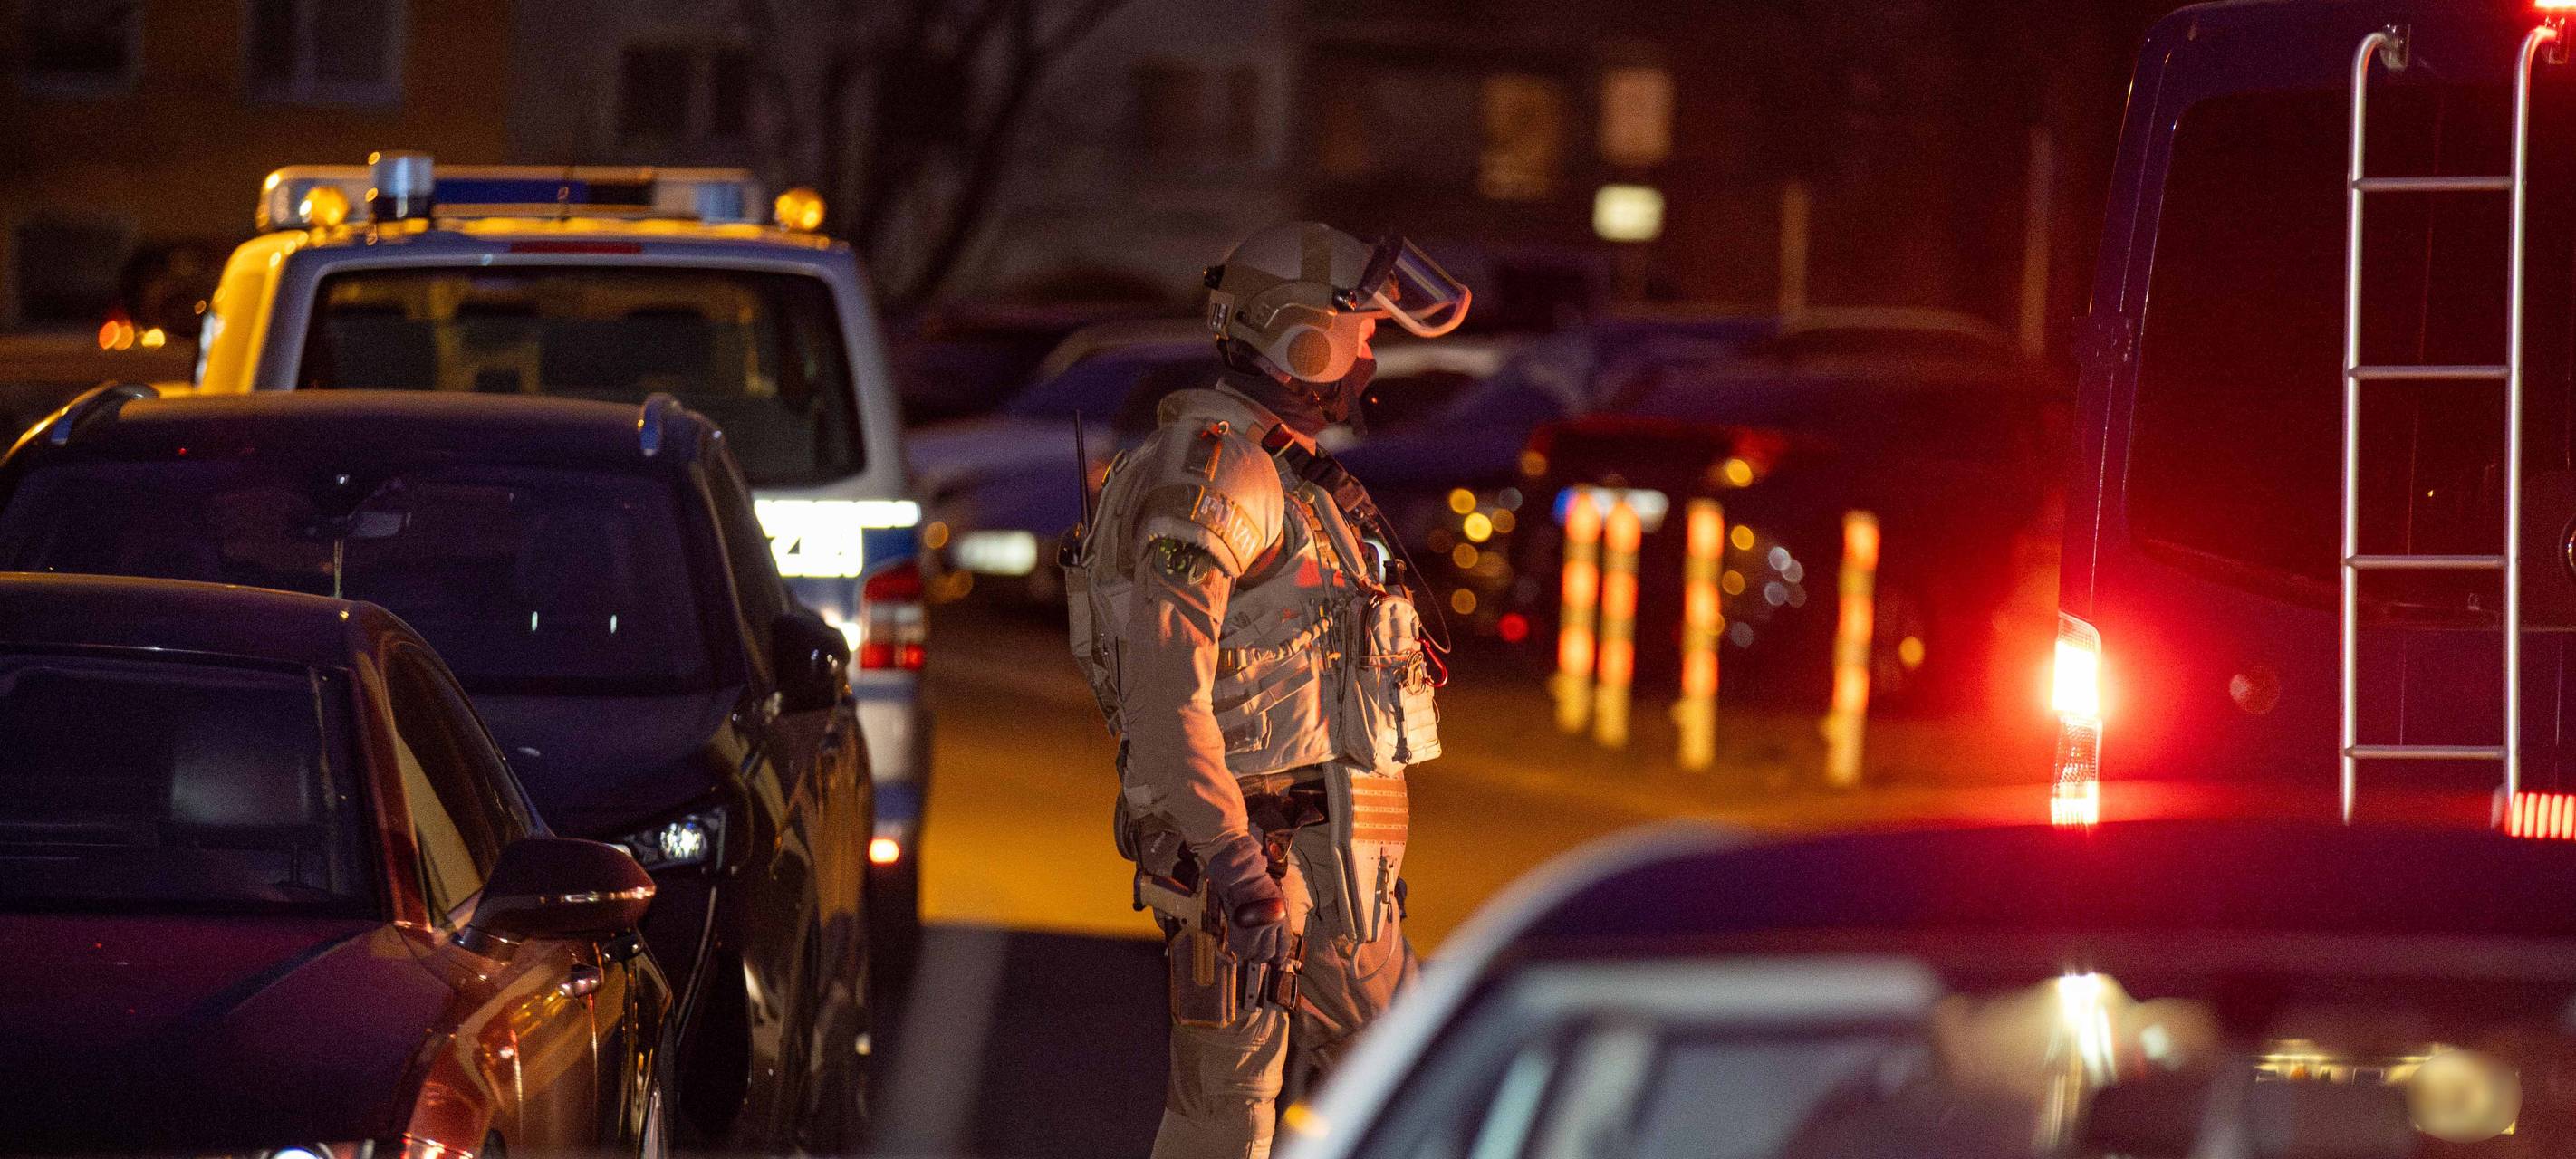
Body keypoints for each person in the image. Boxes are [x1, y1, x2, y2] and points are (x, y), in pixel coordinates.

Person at [1063, 222, 1472, 1158]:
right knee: (1226, 1113)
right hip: (1256, 857)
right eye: (1361, 333)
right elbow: (1166, 684)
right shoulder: (1221, 473)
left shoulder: (1273, 468)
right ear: (1306, 339)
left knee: (1402, 1080)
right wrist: (1233, 861)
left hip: (1327, 861)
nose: (1369, 358)